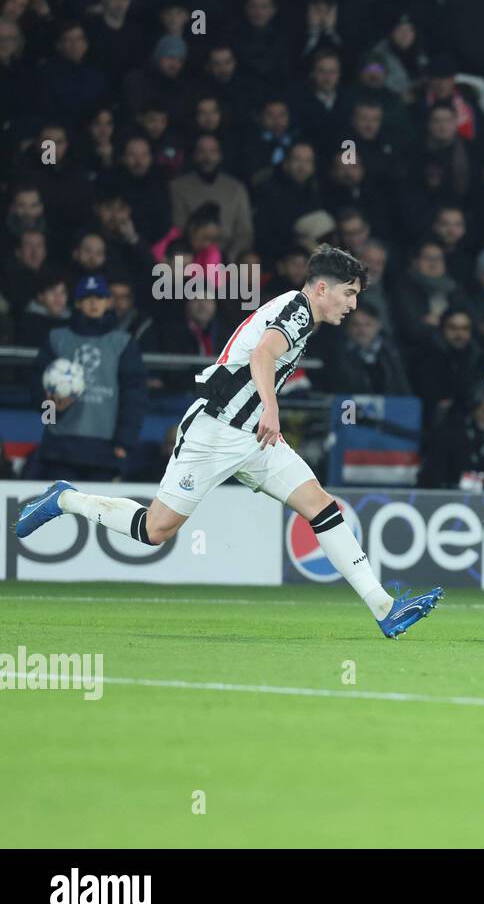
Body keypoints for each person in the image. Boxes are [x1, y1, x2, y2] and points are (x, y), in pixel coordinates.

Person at [14, 247, 442, 639]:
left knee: (321, 506)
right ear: (323, 288)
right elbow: (262, 356)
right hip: (216, 431)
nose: (353, 304)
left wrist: (265, 413)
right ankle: (65, 499)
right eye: (349, 294)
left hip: (254, 437)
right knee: (155, 530)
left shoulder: (300, 313)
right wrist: (272, 408)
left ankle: (384, 607)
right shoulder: (297, 309)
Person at [26, 275, 146, 482]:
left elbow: (134, 395)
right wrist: (53, 409)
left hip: (105, 448)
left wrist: (124, 442)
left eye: (99, 297)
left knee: (98, 514)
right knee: (63, 512)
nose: (93, 303)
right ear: (78, 303)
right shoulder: (56, 338)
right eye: (87, 297)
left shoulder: (123, 343)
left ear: (108, 302)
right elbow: (38, 389)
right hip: (60, 446)